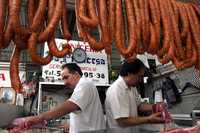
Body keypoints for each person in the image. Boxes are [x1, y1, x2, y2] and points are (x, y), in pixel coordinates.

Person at [11, 63, 106, 133]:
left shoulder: (84, 84)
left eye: (66, 77)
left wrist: (40, 117)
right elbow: (85, 114)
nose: (64, 82)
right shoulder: (83, 86)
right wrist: (71, 126)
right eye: (63, 79)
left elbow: (70, 105)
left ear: (76, 75)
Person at [105, 59, 165, 128]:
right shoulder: (116, 90)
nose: (140, 80)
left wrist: (156, 106)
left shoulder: (132, 87)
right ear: (129, 73)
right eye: (139, 76)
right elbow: (122, 121)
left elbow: (139, 106)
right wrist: (148, 119)